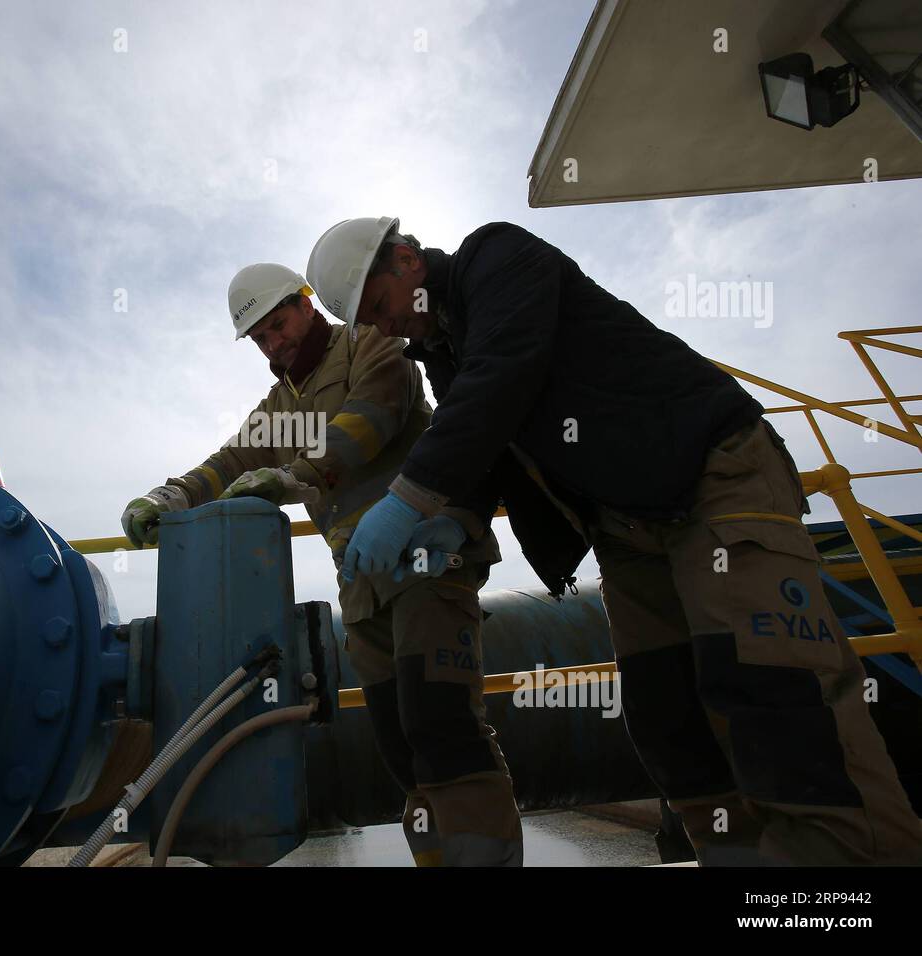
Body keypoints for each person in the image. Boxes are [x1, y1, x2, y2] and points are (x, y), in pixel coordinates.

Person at [306, 216, 922, 865]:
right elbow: (489, 455)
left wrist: (406, 499)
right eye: (367, 322)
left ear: (406, 260)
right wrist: (453, 521)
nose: (384, 327)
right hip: (625, 526)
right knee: (665, 714)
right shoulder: (446, 354)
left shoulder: (496, 257)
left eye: (379, 306)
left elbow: (504, 374)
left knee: (772, 686)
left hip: (715, 477)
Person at [120, 262, 523, 865]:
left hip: (427, 560)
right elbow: (227, 463)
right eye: (260, 337)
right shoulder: (280, 405)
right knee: (397, 742)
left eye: (278, 324)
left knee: (443, 724)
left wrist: (292, 476)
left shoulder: (370, 342)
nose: (273, 342)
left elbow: (371, 419)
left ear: (308, 303)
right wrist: (168, 497)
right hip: (362, 586)